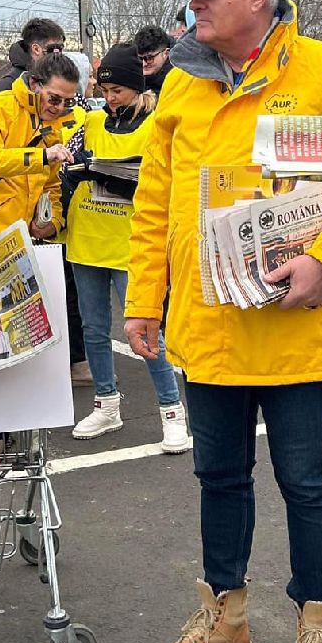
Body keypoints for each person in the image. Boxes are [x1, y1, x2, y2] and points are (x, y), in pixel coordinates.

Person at [126, 0, 322, 643]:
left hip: (289, 324)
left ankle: (318, 630)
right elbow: (153, 202)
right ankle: (225, 620)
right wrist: (144, 299)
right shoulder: (181, 83)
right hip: (207, 324)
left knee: (306, 482)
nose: (196, 3)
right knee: (219, 476)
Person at [62, 43, 188, 453]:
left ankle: (172, 412)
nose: (109, 97)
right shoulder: (93, 121)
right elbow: (67, 164)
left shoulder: (154, 126)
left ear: (137, 89)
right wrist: (76, 170)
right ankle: (106, 403)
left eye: (117, 90)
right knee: (94, 330)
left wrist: (118, 177)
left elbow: (162, 182)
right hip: (86, 240)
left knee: (147, 330)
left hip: (131, 244)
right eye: (104, 88)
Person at [0, 50, 92, 381]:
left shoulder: (56, 127)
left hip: (24, 247)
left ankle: (18, 427)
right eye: (54, 98)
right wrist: (41, 156)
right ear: (34, 83)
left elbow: (53, 190)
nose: (59, 108)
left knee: (19, 345)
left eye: (68, 103)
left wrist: (52, 223)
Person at [2, 17, 66, 84]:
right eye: (54, 49)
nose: (58, 55)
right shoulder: (10, 84)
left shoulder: (59, 77)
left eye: (60, 49)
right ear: (36, 49)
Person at [133, 24, 173, 94]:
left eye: (149, 58)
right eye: (139, 58)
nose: (144, 64)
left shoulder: (178, 80)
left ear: (166, 54)